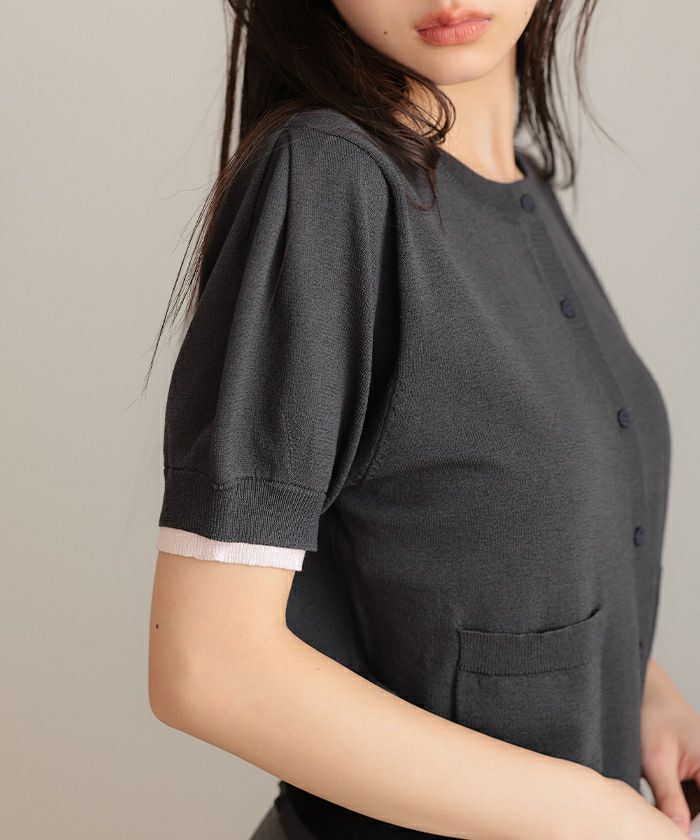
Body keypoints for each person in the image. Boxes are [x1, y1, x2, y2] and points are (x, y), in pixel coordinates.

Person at [146, 1, 700, 838]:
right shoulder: (331, 178)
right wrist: (593, 816)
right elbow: (209, 666)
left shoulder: (516, 186)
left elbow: (476, 555)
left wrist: (638, 693)